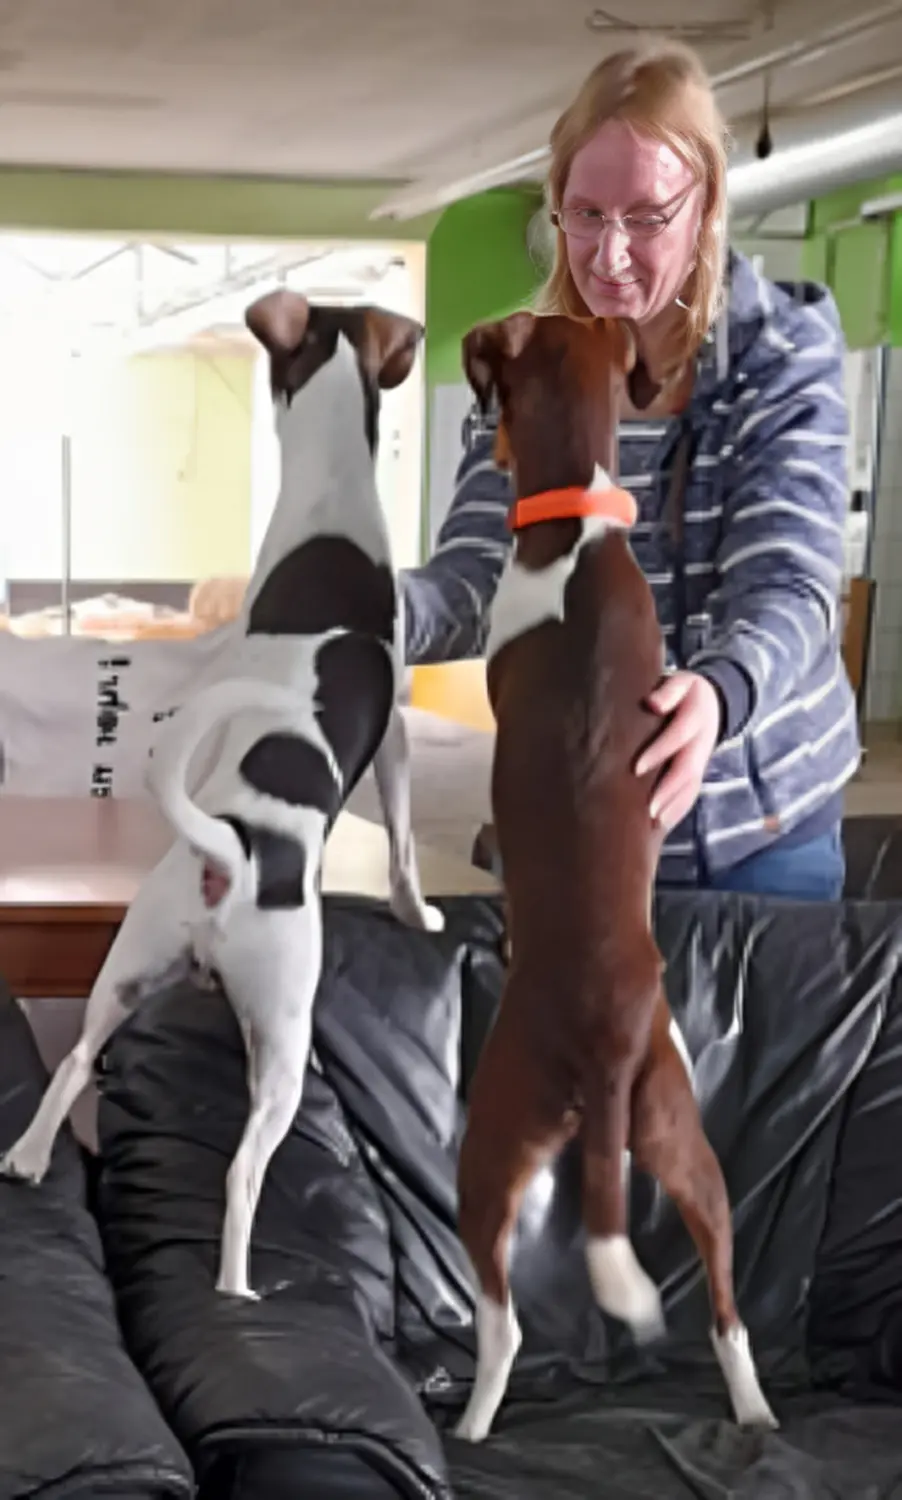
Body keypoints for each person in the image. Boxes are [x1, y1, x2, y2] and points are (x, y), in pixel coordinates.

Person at [400, 40, 859, 903]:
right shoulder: (528, 367)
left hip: (751, 843)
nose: (609, 255)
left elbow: (786, 582)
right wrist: (365, 610)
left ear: (705, 205)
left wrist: (719, 692)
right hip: (568, 821)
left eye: (646, 217)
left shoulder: (778, 355)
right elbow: (475, 578)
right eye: (585, 214)